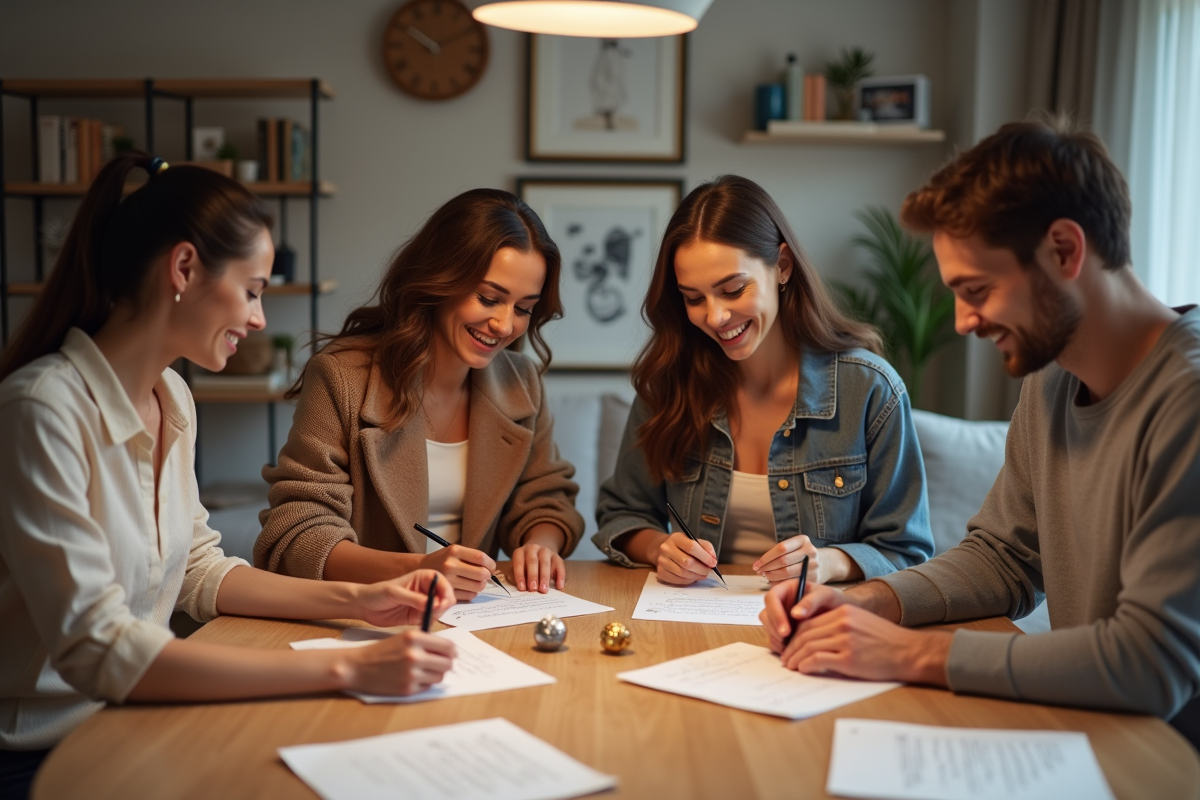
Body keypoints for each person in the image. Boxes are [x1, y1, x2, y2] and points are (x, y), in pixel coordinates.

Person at [0, 155, 458, 800]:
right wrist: (348, 665)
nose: (260, 319)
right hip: (42, 754)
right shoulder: (41, 410)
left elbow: (197, 569)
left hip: (142, 722)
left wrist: (360, 601)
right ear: (184, 269)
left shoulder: (172, 399)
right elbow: (97, 649)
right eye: (252, 290)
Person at [761, 118, 1200, 748]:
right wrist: (869, 603)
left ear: (1065, 251)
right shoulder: (1051, 384)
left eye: (978, 290)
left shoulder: (1185, 400)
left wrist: (910, 655)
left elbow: (1151, 663)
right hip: (1086, 732)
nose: (964, 322)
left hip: (1165, 761)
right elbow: (1005, 559)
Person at [594, 175, 934, 586]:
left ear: (782, 267)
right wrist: (657, 548)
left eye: (733, 290)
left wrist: (828, 562)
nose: (716, 317)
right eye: (694, 298)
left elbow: (906, 549)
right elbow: (622, 515)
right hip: (690, 622)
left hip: (817, 627)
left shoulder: (869, 389)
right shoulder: (670, 385)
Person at [254, 189, 584, 598]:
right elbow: (298, 529)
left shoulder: (522, 381)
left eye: (523, 308)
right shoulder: (342, 376)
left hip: (475, 619)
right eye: (489, 298)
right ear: (440, 280)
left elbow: (545, 497)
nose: (504, 324)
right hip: (362, 615)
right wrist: (418, 570)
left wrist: (540, 545)